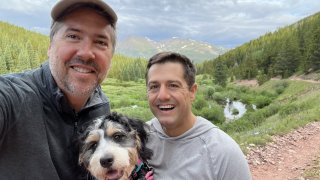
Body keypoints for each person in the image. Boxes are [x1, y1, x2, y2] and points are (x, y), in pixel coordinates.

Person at [0, 0, 117, 179]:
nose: (86, 52)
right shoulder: (13, 97)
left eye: (100, 42)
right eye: (73, 36)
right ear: (50, 46)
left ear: (111, 57)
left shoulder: (101, 106)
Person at [145, 52, 252, 179]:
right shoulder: (138, 138)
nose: (162, 95)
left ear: (192, 92)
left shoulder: (223, 152)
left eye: (173, 85)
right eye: (154, 86)